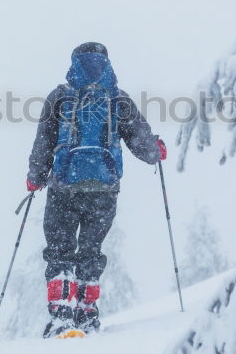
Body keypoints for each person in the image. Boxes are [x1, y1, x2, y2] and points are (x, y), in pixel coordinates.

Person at [26, 42, 166, 337]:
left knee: (60, 251)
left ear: (73, 62)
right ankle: (87, 315)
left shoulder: (60, 96)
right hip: (104, 189)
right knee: (90, 251)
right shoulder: (118, 99)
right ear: (107, 63)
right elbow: (142, 143)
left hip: (64, 187)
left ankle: (62, 317)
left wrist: (35, 178)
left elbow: (43, 143)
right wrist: (156, 151)